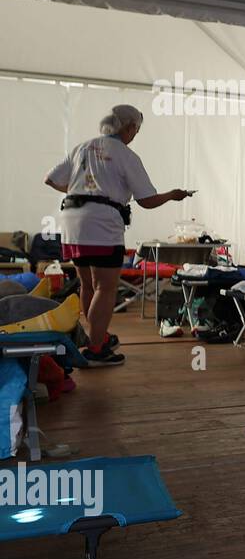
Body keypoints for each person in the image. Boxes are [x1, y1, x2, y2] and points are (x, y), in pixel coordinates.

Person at [44, 105, 193, 366]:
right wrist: (173, 194)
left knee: (88, 284)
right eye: (136, 128)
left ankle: (94, 336)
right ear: (128, 127)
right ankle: (95, 350)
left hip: (72, 222)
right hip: (102, 224)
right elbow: (146, 200)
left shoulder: (82, 147)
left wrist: (80, 190)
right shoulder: (125, 155)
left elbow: (50, 178)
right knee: (106, 287)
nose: (136, 133)